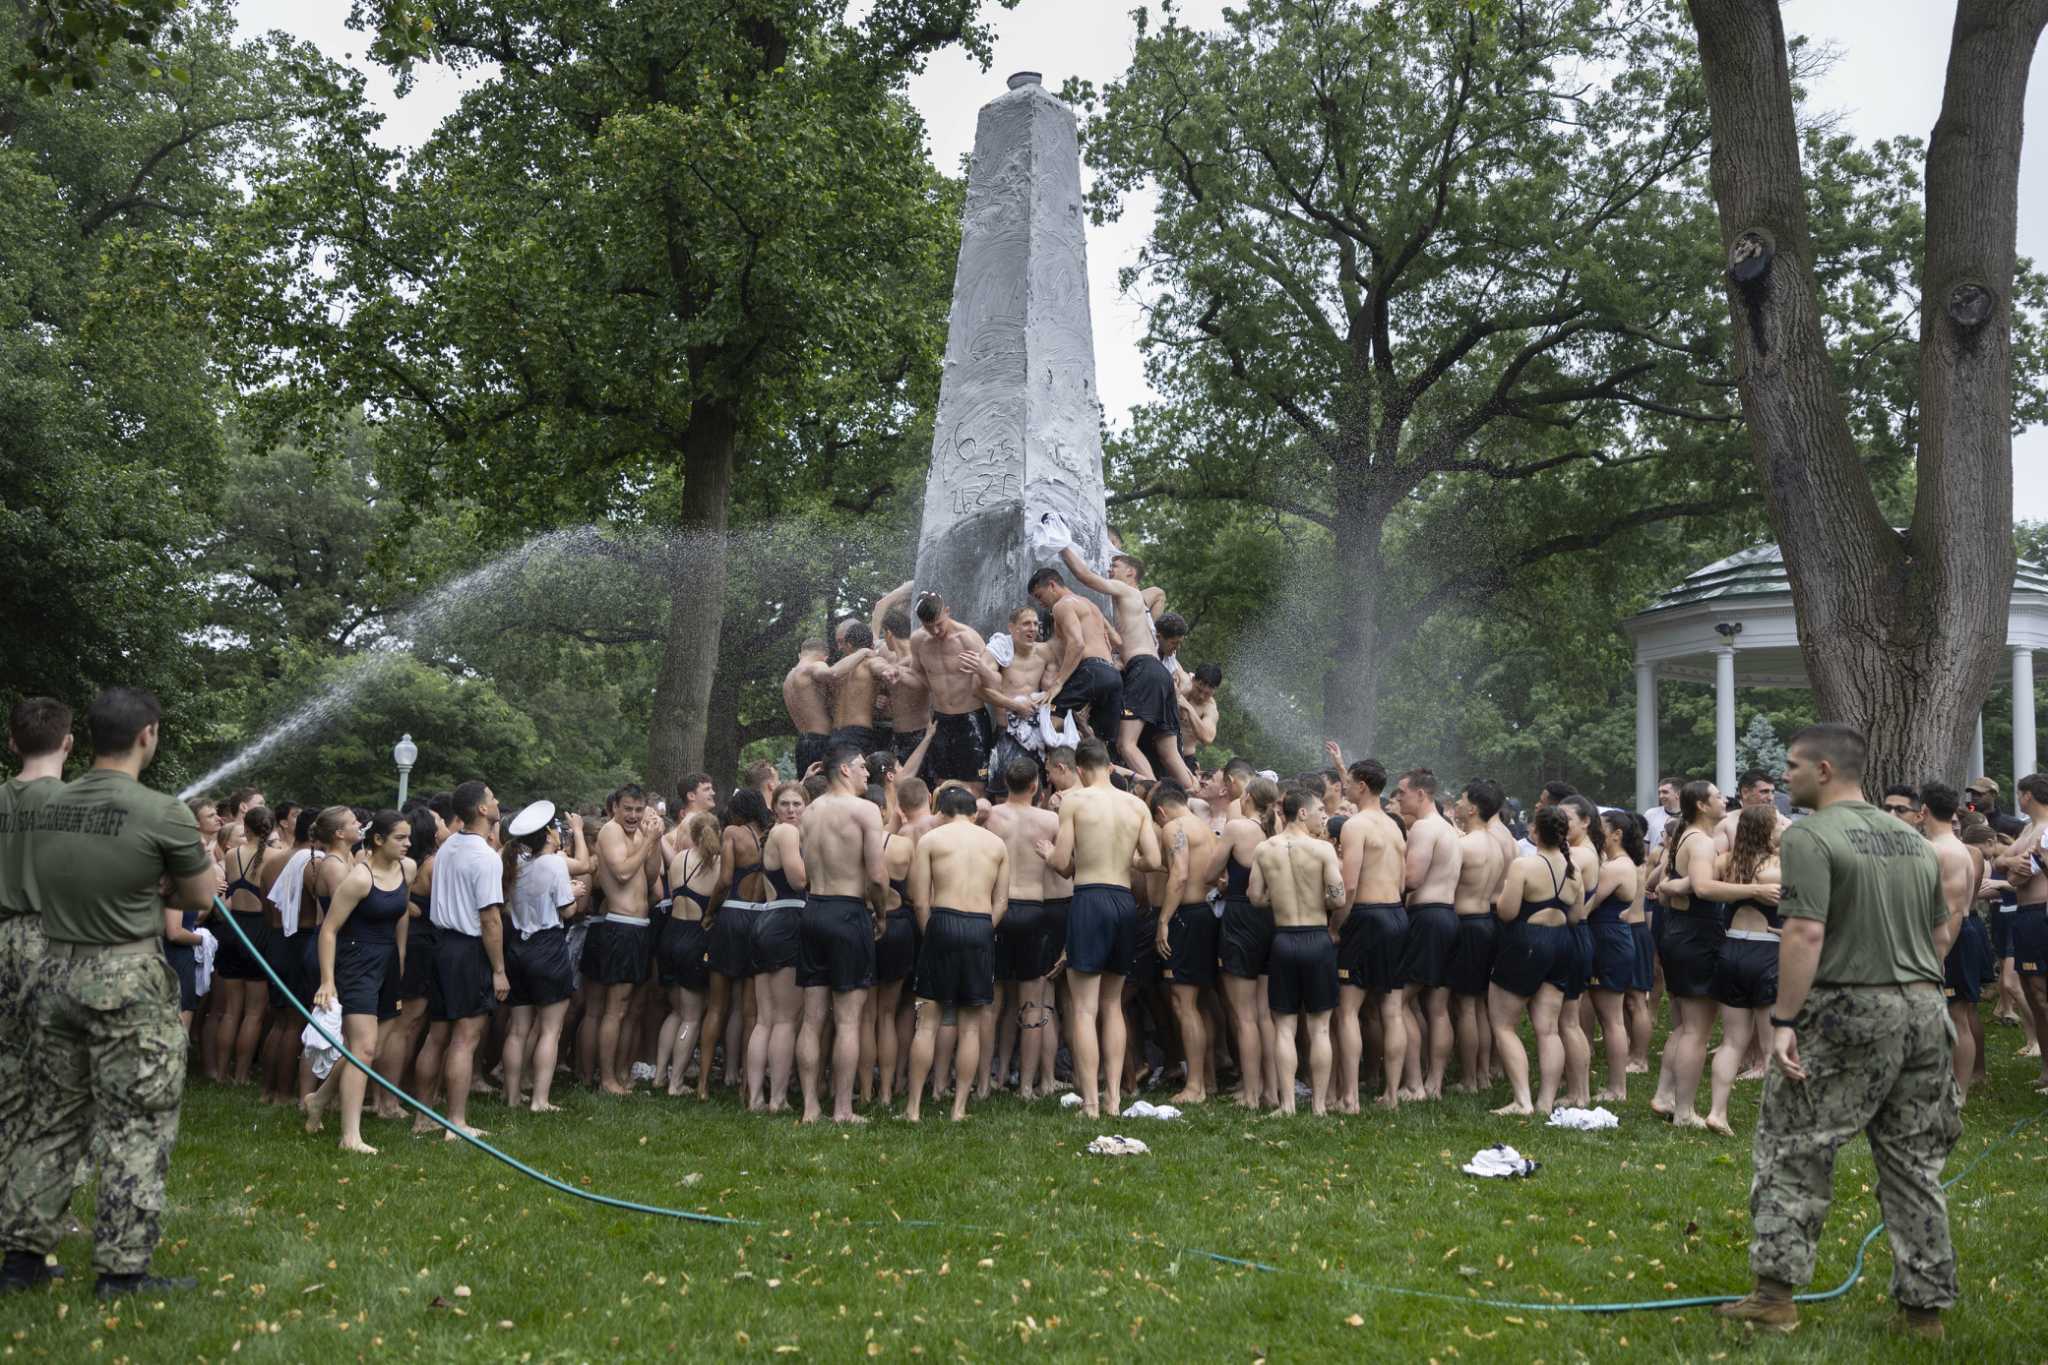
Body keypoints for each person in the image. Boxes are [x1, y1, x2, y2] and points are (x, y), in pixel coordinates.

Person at [1718, 725, 1960, 1341]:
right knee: (1913, 1161)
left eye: (1793, 767)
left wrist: (1784, 1021)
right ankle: (1923, 1313)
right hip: (1925, 1006)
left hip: (1847, 1005)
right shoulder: (1911, 840)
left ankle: (1774, 1296)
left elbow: (1804, 933)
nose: (1783, 778)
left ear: (1824, 770)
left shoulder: (1811, 837)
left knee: (1794, 1145)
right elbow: (1940, 932)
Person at [0, 687, 214, 1298]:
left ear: (85, 737)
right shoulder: (161, 811)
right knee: (136, 1123)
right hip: (124, 981)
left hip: (54, 975)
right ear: (147, 733)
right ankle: (122, 1272)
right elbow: (199, 898)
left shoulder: (49, 804)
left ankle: (20, 1262)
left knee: (51, 1120)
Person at [1035, 738, 1163, 1119]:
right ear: (1109, 766)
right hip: (1123, 900)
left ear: (1078, 769)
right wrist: (1124, 856)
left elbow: (1062, 862)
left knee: (1085, 1009)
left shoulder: (1075, 801)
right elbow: (1153, 859)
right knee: (1113, 1005)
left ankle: (1090, 1103)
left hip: (1089, 898)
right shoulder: (1136, 804)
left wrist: (1049, 856)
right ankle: (1114, 1099)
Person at [306, 810, 413, 1152]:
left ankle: (319, 1099)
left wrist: (400, 960)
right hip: (355, 963)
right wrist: (327, 980)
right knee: (363, 1050)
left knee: (370, 1050)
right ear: (378, 840)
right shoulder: (359, 878)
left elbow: (401, 921)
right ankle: (350, 1136)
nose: (408, 844)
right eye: (400, 838)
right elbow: (329, 929)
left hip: (386, 964)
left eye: (409, 837)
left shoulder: (405, 869)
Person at [410, 780, 508, 1141]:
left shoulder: (449, 844)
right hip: (467, 949)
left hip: (440, 946)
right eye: (492, 797)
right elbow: (490, 919)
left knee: (437, 1035)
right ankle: (456, 1122)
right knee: (465, 1039)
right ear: (482, 810)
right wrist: (498, 970)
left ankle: (423, 1118)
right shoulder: (484, 857)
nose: (497, 801)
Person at [795, 744, 885, 1125]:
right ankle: (843, 1109)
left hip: (813, 909)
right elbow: (878, 877)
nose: (869, 773)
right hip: (848, 911)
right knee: (848, 1021)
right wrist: (881, 915)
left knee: (812, 1019)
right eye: (863, 767)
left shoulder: (809, 813)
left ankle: (810, 1107)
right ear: (845, 770)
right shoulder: (865, 810)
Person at [0, 698, 72, 1172]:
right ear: (68, 742)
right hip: (56, 941)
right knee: (58, 1073)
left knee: (7, 1064)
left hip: (2, 936)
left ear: (11, 743)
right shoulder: (79, 805)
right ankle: (43, 1198)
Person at [1057, 545, 1196, 789]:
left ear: (1131, 572)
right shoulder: (1140, 605)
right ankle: (1193, 793)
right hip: (1158, 673)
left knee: (1125, 745)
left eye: (1115, 566)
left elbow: (1085, 576)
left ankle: (1155, 795)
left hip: (1143, 670)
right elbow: (1157, 596)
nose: (1109, 570)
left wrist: (1061, 545)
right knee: (1169, 753)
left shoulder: (1127, 591)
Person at [1248, 785, 1343, 1116]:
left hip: (1284, 939)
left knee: (1284, 1027)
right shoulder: (1322, 850)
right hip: (1317, 938)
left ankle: (1287, 1104)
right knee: (1319, 1027)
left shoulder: (1264, 849)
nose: (1322, 816)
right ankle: (1318, 1106)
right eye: (1318, 810)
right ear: (1301, 812)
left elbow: (1255, 897)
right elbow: (1338, 898)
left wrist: (1279, 897)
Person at [1485, 804, 1581, 1116]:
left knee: (1504, 1025)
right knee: (1548, 1028)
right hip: (1562, 944)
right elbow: (1577, 916)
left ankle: (1522, 1100)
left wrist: (1501, 897)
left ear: (1535, 832)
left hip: (1526, 943)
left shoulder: (1524, 866)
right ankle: (1545, 1102)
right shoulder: (1573, 870)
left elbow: (1507, 912)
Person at [1699, 805, 1782, 1136]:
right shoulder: (1778, 867)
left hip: (1731, 949)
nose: (1783, 829)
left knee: (1732, 1041)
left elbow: (1699, 884)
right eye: (1778, 825)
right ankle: (1772, 1121)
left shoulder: (1727, 862)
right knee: (1772, 1045)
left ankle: (1717, 1111)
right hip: (1767, 952)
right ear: (1766, 830)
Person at [984, 758, 1063, 1100]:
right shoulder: (1049, 820)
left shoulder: (991, 818)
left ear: (1005, 782)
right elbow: (1066, 866)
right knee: (1033, 1002)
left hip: (998, 909)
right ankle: (1028, 1087)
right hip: (1033, 909)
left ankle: (987, 1083)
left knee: (992, 1003)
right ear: (1036, 786)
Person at [1336, 759, 1408, 1111]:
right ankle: (1391, 1095)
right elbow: (1403, 881)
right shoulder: (1395, 827)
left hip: (1366, 916)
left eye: (1348, 783)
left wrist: (1337, 926)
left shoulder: (1356, 825)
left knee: (1348, 1010)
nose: (1344, 789)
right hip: (1396, 914)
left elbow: (1348, 885)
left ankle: (1350, 1097)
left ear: (1362, 786)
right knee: (1392, 1010)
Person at [588, 784, 663, 1096]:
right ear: (615, 808)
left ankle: (620, 1071)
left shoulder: (637, 836)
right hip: (619, 925)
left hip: (639, 926)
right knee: (614, 1008)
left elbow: (650, 875)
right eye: (627, 809)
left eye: (638, 809)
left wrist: (654, 843)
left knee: (631, 1007)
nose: (633, 815)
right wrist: (647, 841)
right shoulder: (610, 832)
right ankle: (606, 1079)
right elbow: (620, 873)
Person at [1211, 778, 1279, 1109]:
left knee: (1244, 1014)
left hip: (1241, 915)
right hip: (1271, 917)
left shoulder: (1237, 827)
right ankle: (1271, 1090)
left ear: (1247, 798)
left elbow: (1211, 869)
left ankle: (1250, 1093)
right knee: (1266, 1013)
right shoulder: (1276, 831)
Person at [1395, 768, 1462, 1100]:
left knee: (1399, 1001)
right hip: (1448, 915)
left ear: (1421, 794)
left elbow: (1412, 879)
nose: (1398, 797)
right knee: (1437, 1007)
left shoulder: (1424, 827)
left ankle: (1414, 1085)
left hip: (1428, 916)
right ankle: (1433, 1083)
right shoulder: (1448, 829)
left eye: (1402, 792)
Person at [1150, 783, 1217, 1103]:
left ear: (1161, 811)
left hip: (1186, 916)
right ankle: (1209, 1080)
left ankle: (1195, 1087)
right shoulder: (1203, 828)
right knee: (1200, 1002)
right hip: (1205, 913)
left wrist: (1163, 919)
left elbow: (1178, 875)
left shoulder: (1174, 827)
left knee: (1183, 1002)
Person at [705, 788, 772, 1101]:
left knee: (717, 1005)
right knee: (750, 1012)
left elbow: (724, 879)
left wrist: (709, 912)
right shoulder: (771, 836)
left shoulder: (732, 832)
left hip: (732, 916)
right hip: (759, 919)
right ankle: (748, 1083)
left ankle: (703, 1084)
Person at [903, 593, 1000, 795]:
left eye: (939, 623)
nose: (936, 631)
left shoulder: (968, 638)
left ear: (947, 611)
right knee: (941, 783)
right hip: (941, 720)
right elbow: (917, 673)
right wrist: (898, 676)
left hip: (971, 718)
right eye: (929, 627)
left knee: (977, 785)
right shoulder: (918, 641)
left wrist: (982, 668)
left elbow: (996, 683)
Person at [210, 805, 275, 1086]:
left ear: (245, 827)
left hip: (233, 928)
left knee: (231, 1010)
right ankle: (241, 1075)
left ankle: (222, 1072)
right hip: (259, 930)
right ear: (269, 829)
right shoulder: (275, 857)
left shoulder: (231, 854)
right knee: (253, 1013)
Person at [1448, 780, 1505, 1093]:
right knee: (1481, 1004)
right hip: (1487, 921)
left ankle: (1469, 1079)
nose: (1456, 803)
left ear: (1472, 809)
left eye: (1461, 798)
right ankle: (1482, 1073)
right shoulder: (1495, 844)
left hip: (1467, 923)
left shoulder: (1465, 846)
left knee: (1467, 1006)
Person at [656, 812, 717, 1098]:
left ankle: (658, 1074)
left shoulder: (678, 858)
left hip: (670, 934)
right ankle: (676, 1081)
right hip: (694, 938)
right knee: (692, 1017)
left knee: (676, 1011)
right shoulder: (715, 863)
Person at [1585, 808, 1644, 1104]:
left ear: (1616, 834)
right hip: (1613, 938)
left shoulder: (1615, 867)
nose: (1595, 833)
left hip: (1608, 941)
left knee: (1611, 1020)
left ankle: (1617, 1088)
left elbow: (1586, 907)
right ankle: (1615, 1085)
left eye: (1600, 828)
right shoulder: (1623, 863)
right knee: (1611, 1018)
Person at [1028, 567, 1124, 742]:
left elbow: (1077, 644)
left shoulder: (1062, 605)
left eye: (1039, 596)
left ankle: (1054, 769)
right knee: (1100, 743)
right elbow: (1117, 640)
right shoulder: (1090, 605)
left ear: (1052, 585)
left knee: (1050, 724)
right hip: (1112, 676)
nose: (1040, 603)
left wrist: (1058, 683)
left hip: (1091, 671)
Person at [1997, 773, 2048, 1091]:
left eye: (2020, 794)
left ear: (2028, 795)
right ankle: (2046, 1069)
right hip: (2024, 914)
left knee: (2042, 994)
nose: (2018, 799)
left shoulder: (2045, 830)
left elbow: (2025, 875)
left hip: (2041, 913)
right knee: (2031, 992)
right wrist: (2013, 860)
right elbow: (2001, 859)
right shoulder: (2028, 828)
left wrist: (2018, 868)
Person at [870, 584, 932, 765]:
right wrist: (882, 695)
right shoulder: (889, 658)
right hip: (897, 736)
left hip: (919, 733)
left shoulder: (918, 655)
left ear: (888, 634)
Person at [825, 624, 898, 756]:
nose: (840, 648)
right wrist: (888, 670)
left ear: (849, 644)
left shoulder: (841, 667)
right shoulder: (869, 662)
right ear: (870, 646)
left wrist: (886, 670)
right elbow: (881, 666)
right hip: (858, 733)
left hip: (836, 733)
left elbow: (880, 666)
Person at [782, 639, 835, 776]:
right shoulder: (816, 665)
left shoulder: (789, 678)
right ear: (825, 657)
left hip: (802, 742)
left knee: (808, 791)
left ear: (801, 654)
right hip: (821, 741)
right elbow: (830, 674)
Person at [1715, 769, 1791, 852]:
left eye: (1772, 792)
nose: (1771, 798)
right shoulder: (1726, 824)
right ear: (1745, 793)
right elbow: (1715, 862)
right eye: (1764, 792)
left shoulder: (1783, 823)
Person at [1177, 662, 1221, 774]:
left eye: (1207, 694)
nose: (1201, 696)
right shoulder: (1183, 683)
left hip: (1184, 758)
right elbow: (1170, 659)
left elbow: (1207, 738)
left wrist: (1188, 708)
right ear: (1193, 680)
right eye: (1199, 690)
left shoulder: (1210, 709)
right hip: (1158, 745)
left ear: (1214, 691)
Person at [1643, 778, 1680, 850]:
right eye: (1659, 793)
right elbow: (1644, 848)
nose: (1661, 796)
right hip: (1655, 860)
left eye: (1665, 792)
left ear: (1678, 794)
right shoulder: (1650, 814)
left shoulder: (1690, 816)